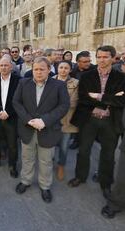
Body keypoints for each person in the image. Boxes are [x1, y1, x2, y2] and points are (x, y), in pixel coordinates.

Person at [68, 46, 125, 199]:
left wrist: (99, 97)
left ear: (113, 58)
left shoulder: (121, 78)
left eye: (105, 57)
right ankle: (80, 176)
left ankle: (105, 184)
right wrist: (109, 99)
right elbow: (84, 98)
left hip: (110, 121)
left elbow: (121, 101)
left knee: (108, 154)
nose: (101, 60)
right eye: (99, 57)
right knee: (84, 150)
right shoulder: (87, 76)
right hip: (89, 120)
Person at [13, 57, 70, 203]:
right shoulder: (23, 83)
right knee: (27, 157)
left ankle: (45, 186)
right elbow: (16, 102)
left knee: (45, 160)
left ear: (49, 70)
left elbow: (64, 106)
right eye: (35, 69)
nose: (38, 72)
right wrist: (28, 120)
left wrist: (44, 121)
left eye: (42, 69)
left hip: (48, 130)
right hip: (28, 128)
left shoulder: (58, 85)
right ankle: (25, 181)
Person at [53, 61, 78, 181]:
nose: (63, 70)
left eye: (66, 68)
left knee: (64, 146)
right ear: (57, 69)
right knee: (49, 145)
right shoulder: (50, 80)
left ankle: (61, 166)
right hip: (51, 120)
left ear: (70, 70)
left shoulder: (76, 83)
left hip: (66, 120)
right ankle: (49, 164)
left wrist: (56, 105)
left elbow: (73, 102)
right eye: (61, 67)